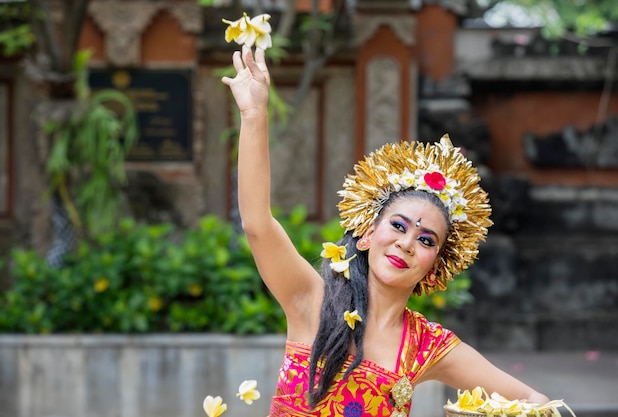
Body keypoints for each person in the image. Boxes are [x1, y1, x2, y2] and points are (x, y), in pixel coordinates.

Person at [221, 45, 550, 417]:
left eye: (426, 240)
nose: (407, 243)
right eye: (398, 225)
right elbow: (257, 223)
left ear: (436, 264)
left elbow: (536, 402)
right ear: (366, 234)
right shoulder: (311, 300)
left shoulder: (427, 346)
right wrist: (253, 115)